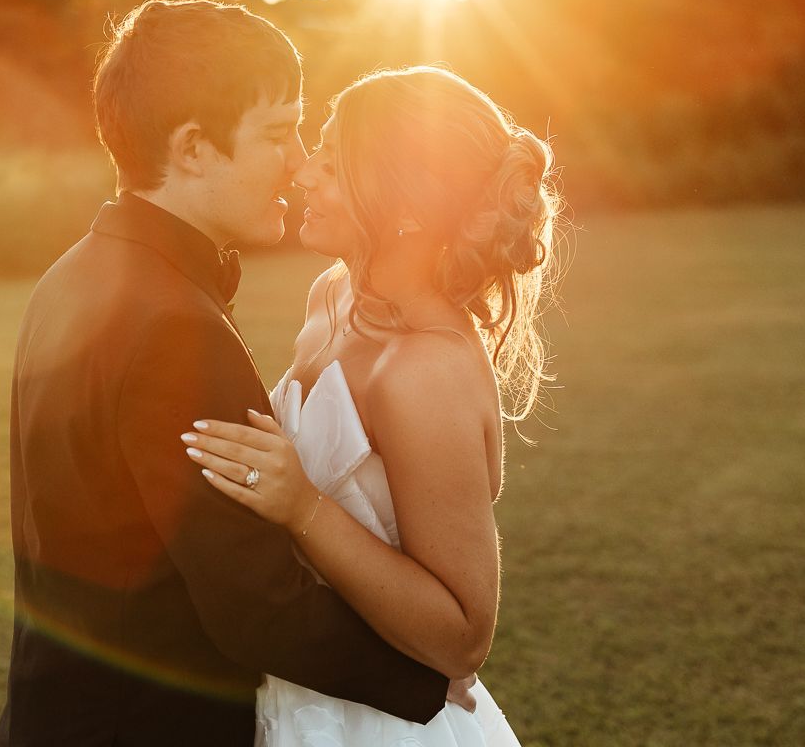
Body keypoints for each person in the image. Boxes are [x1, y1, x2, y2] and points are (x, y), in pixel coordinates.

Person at [0, 1, 473, 746]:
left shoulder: (73, 275)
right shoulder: (173, 325)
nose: (300, 160)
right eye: (280, 134)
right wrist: (426, 683)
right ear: (192, 148)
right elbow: (255, 604)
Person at [187, 66, 557, 745]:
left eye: (330, 163)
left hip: (383, 724)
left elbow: (461, 639)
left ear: (409, 209)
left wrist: (303, 508)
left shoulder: (425, 371)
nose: (303, 175)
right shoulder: (332, 294)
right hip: (299, 688)